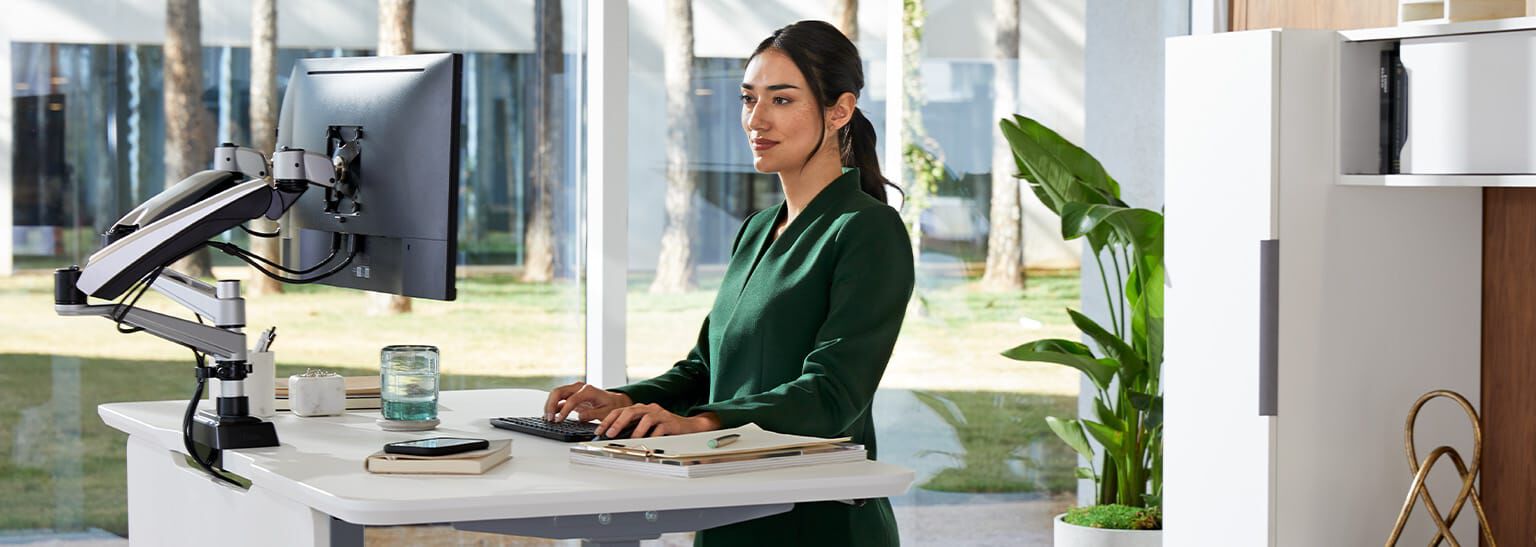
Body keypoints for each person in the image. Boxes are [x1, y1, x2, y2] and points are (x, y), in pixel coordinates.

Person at [543, 19, 913, 546]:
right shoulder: (760, 228)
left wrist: (702, 424)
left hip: (815, 520)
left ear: (840, 111)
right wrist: (623, 400)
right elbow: (704, 369)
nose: (755, 120)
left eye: (781, 100)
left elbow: (834, 394)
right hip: (729, 512)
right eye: (748, 99)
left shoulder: (866, 229)